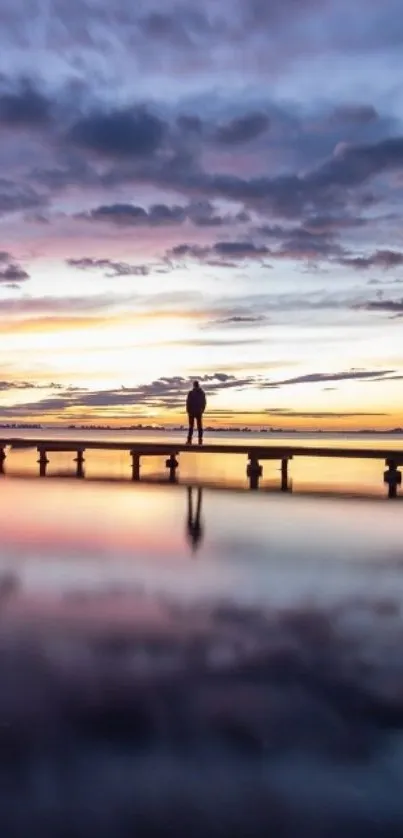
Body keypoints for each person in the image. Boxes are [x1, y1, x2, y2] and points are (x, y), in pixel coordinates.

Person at [186, 380, 206, 445]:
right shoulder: (200, 393)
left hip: (195, 412)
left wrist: (188, 410)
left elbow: (188, 402)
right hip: (195, 412)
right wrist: (202, 410)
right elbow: (204, 402)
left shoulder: (193, 393)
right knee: (197, 426)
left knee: (194, 426)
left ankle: (192, 440)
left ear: (194, 385)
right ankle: (196, 440)